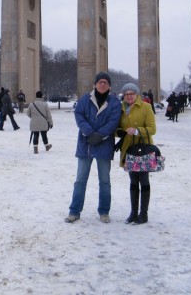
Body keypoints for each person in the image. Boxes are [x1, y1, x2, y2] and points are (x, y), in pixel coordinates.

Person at [65, 72, 121, 224]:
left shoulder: (115, 102)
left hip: (104, 144)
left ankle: (104, 211)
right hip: (86, 144)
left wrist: (100, 134)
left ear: (109, 86)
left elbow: (114, 121)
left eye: (105, 82)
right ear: (95, 84)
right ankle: (74, 211)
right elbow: (79, 115)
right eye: (100, 82)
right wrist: (89, 133)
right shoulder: (85, 99)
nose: (102, 84)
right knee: (80, 180)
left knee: (104, 181)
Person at [115, 83, 156, 224]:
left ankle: (143, 214)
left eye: (132, 93)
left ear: (137, 95)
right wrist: (118, 132)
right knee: (133, 180)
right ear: (124, 96)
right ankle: (133, 212)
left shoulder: (146, 107)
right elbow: (117, 127)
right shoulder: (120, 109)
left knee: (144, 180)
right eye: (126, 94)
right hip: (129, 149)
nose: (129, 96)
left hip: (143, 149)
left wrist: (138, 130)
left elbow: (152, 129)